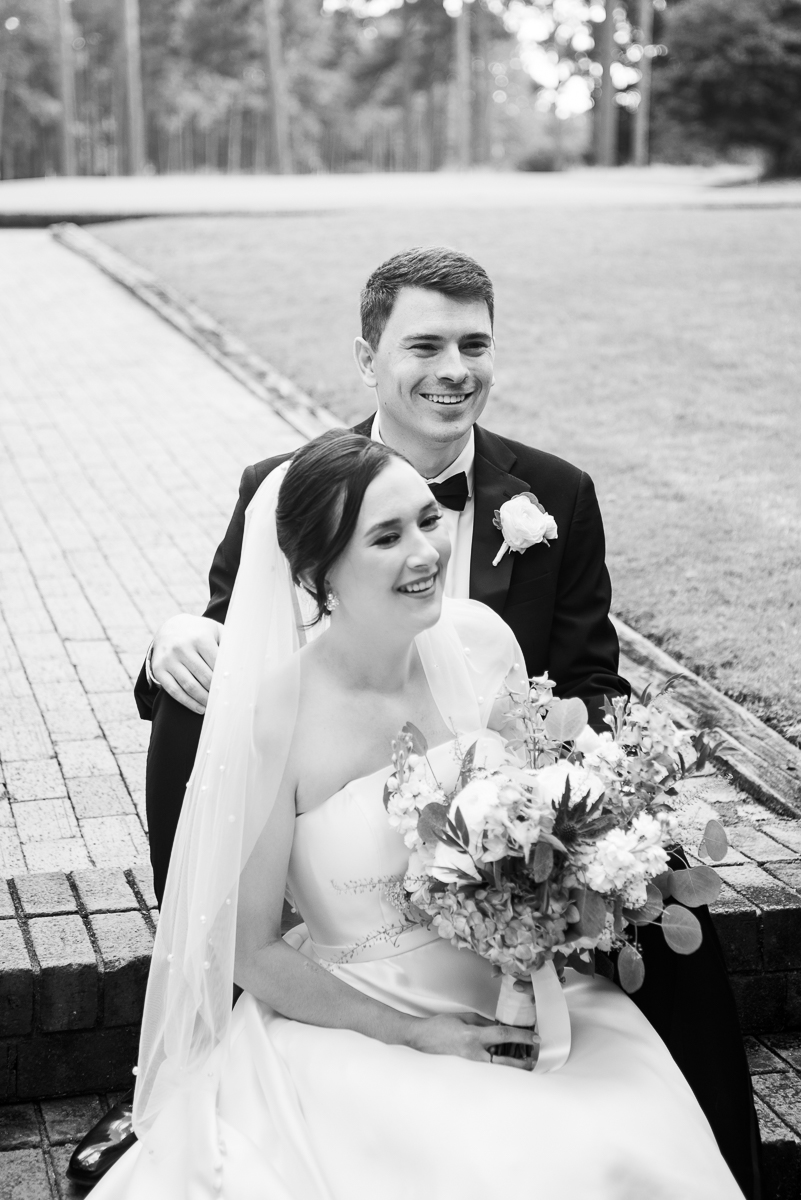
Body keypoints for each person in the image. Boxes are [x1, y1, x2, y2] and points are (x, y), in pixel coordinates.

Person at [69, 248, 759, 1196]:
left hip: (518, 847)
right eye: (424, 344)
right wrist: (176, 637)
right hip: (361, 946)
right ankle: (185, 1055)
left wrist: (605, 815)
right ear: (369, 357)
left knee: (668, 911)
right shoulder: (286, 501)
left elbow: (588, 683)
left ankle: (735, 1138)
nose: (452, 368)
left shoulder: (546, 507)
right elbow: (245, 632)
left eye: (473, 344)